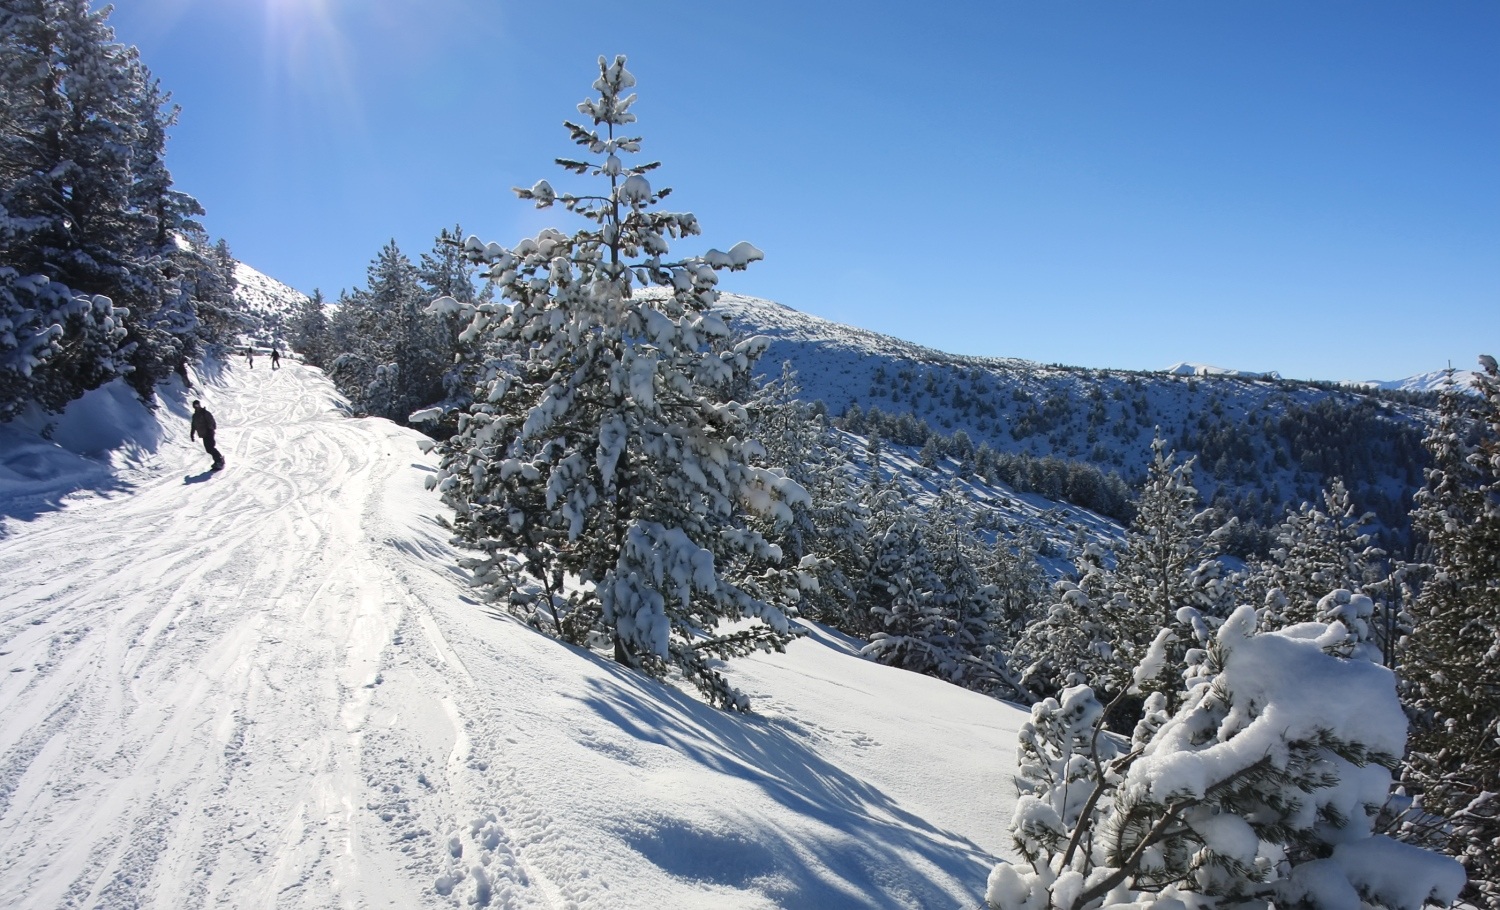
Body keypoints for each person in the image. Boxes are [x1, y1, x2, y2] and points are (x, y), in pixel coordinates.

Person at [190, 400, 224, 470]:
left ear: (199, 405)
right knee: (208, 449)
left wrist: (211, 429)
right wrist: (192, 434)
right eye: (195, 406)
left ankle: (219, 461)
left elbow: (212, 421)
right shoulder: (195, 416)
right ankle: (219, 459)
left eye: (197, 405)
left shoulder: (205, 413)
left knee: (211, 447)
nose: (196, 407)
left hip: (209, 432)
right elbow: (193, 425)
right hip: (203, 434)